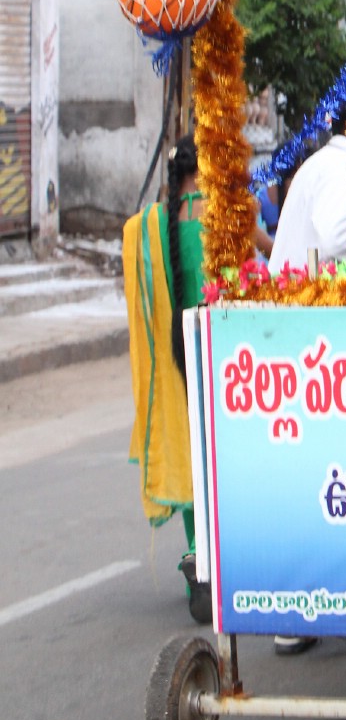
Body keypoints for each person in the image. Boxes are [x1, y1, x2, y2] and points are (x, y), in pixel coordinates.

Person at [266, 105, 346, 654]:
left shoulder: (322, 163)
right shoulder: (342, 170)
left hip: (290, 330)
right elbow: (338, 238)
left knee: (311, 466)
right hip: (302, 336)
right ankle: (295, 608)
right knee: (311, 469)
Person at [123, 133, 211, 623]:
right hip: (213, 351)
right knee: (216, 454)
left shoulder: (150, 226)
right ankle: (220, 556)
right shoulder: (215, 212)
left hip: (174, 355)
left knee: (188, 449)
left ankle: (197, 553)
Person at [268, 104, 346, 277]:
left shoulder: (325, 161)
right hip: (302, 297)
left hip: (295, 295)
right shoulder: (342, 165)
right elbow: (337, 240)